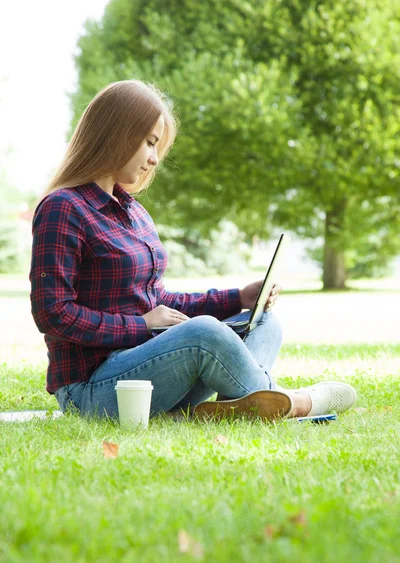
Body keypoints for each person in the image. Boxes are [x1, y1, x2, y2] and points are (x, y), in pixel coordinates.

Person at [30, 80, 356, 422]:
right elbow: (53, 314)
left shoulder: (134, 213)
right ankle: (293, 403)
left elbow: (161, 305)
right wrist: (141, 326)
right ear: (117, 133)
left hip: (157, 370)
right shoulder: (64, 207)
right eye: (150, 143)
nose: (155, 159)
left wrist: (238, 298)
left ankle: (238, 407)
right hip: (95, 389)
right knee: (203, 333)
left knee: (263, 323)